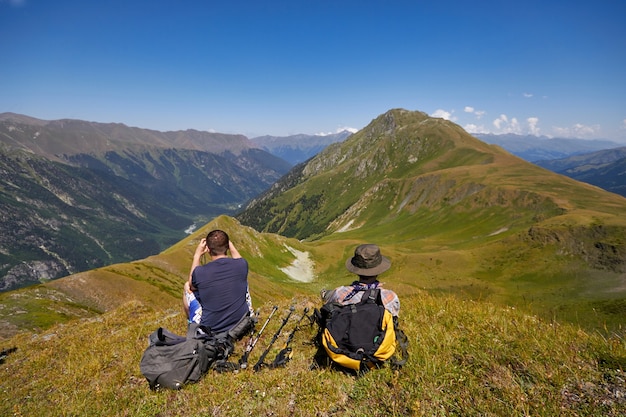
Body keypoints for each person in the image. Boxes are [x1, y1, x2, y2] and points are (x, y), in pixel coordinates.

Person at [185, 229, 254, 335]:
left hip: (212, 330)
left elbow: (191, 285)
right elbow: (238, 258)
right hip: (241, 323)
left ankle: (191, 323)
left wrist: (197, 255)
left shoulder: (200, 272)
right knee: (242, 279)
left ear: (208, 249)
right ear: (227, 246)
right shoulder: (241, 265)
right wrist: (228, 243)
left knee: (187, 287)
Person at [322, 244, 400, 317]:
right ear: (378, 270)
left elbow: (327, 300)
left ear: (357, 270)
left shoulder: (340, 293)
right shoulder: (390, 297)